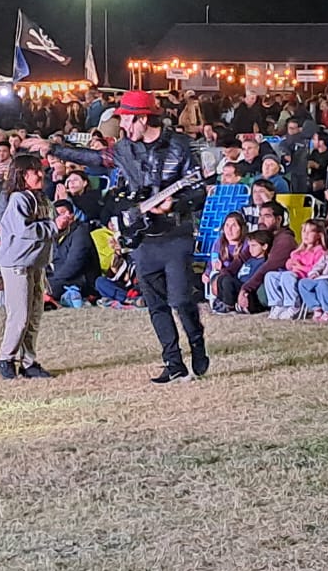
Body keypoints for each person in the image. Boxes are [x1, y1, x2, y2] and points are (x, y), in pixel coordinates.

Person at [31, 89, 210, 383]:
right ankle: (173, 363)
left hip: (175, 234)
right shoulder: (126, 149)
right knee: (155, 304)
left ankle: (197, 343)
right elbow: (95, 157)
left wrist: (175, 203)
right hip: (142, 237)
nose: (123, 127)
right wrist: (54, 148)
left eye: (126, 120)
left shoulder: (180, 146)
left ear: (142, 119)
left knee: (179, 300)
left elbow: (199, 189)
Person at [0, 154, 58, 379]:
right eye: (35, 171)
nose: (41, 174)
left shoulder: (42, 200)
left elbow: (52, 231)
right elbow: (25, 231)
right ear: (22, 175)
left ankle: (28, 361)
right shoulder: (19, 199)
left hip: (35, 264)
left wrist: (62, 224)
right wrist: (54, 225)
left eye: (41, 170)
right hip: (17, 265)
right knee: (20, 315)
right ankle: (6, 358)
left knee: (34, 316)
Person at [217, 202, 296, 315]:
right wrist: (223, 273)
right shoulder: (261, 236)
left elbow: (268, 268)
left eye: (267, 216)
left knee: (261, 289)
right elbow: (241, 259)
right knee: (224, 278)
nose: (261, 220)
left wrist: (246, 288)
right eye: (260, 215)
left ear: (278, 219)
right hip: (251, 281)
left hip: (270, 283)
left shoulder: (285, 240)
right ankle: (229, 304)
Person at [263, 219, 327, 319]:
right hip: (291, 275)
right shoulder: (298, 251)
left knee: (288, 276)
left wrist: (299, 266)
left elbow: (316, 269)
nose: (306, 234)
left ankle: (293, 305)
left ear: (319, 235)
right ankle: (277, 304)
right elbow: (289, 265)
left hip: (305, 278)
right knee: (270, 276)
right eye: (304, 231)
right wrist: (289, 264)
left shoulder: (320, 251)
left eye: (310, 231)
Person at [46, 199, 100, 302]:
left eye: (61, 213)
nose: (57, 218)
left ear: (71, 215)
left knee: (44, 288)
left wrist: (52, 281)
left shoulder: (80, 232)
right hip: (60, 278)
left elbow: (74, 264)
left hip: (80, 281)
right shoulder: (56, 235)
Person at [204, 212, 247, 304]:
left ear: (241, 228)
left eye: (234, 226)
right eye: (227, 225)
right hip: (220, 276)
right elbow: (212, 262)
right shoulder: (219, 242)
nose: (229, 230)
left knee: (226, 281)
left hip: (239, 277)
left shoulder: (247, 244)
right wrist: (207, 273)